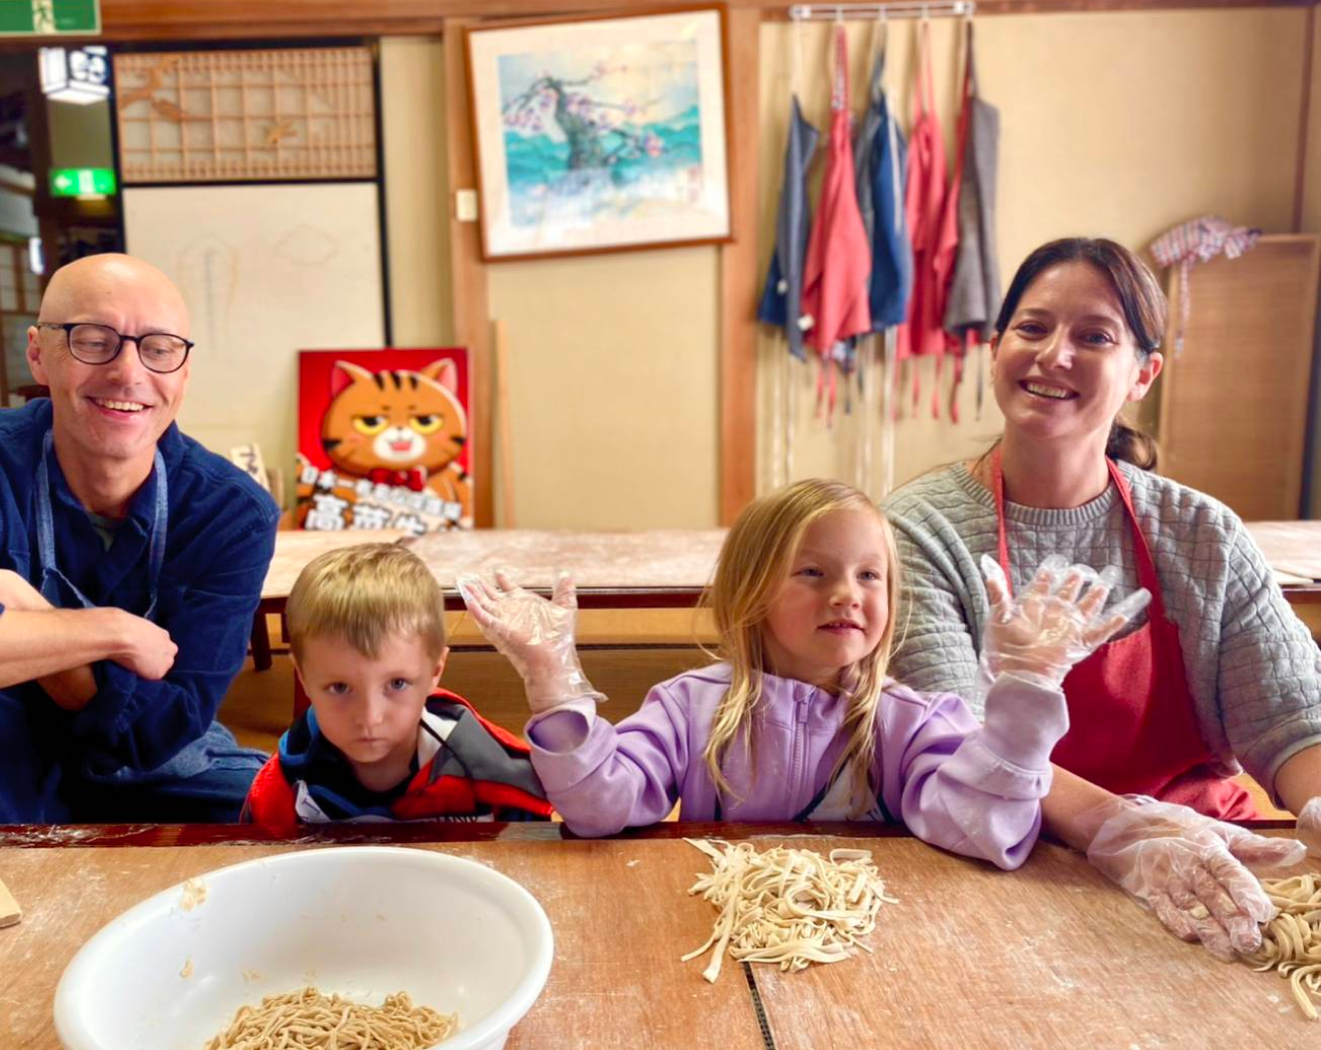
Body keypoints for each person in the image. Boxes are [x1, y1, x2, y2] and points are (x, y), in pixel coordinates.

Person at [882, 237, 1318, 953]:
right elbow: (950, 740)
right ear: (995, 349)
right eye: (1032, 327)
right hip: (1008, 857)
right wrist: (1123, 830)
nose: (1055, 355)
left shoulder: (1201, 533)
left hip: (1211, 860)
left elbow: (1293, 717)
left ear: (1143, 374)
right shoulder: (920, 530)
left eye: (1094, 336)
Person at [460, 479, 1138, 871]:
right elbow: (599, 809)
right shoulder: (687, 710)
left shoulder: (914, 723)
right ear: (750, 592)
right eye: (813, 572)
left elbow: (977, 828)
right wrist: (555, 680)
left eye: (869, 575)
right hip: (719, 942)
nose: (847, 593)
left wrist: (1023, 702)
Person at [0, 254, 279, 824]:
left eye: (158, 348)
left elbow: (165, 728)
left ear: (182, 372)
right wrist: (110, 633)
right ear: (38, 353)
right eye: (93, 340)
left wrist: (27, 620)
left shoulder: (231, 511)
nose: (128, 373)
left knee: (289, 819)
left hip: (149, 767)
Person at [243, 543, 551, 827]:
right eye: (339, 687)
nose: (369, 717)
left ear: (434, 672)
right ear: (303, 677)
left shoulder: (489, 766)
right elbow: (256, 859)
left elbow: (537, 851)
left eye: (397, 683)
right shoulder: (285, 781)